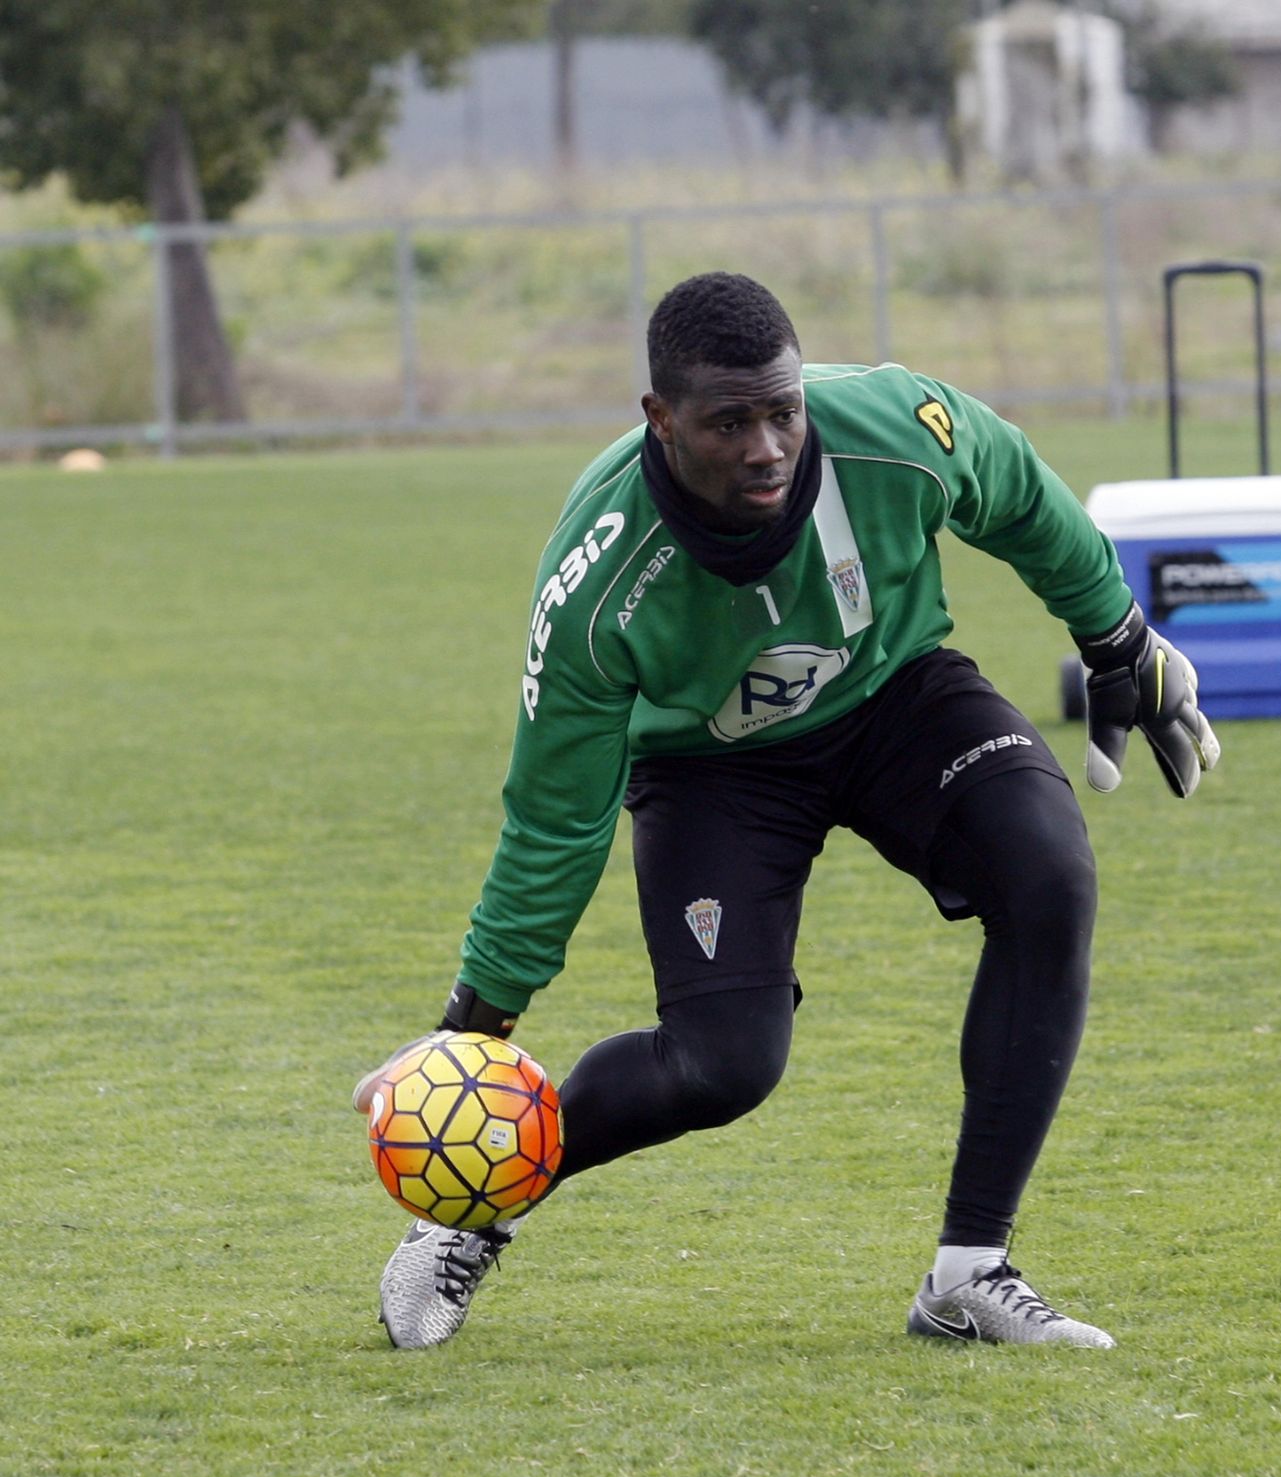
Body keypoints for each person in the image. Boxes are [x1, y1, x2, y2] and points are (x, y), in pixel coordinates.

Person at [354, 271, 1220, 1351]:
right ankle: (474, 1214)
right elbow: (554, 820)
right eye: (730, 421)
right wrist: (464, 1044)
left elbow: (1018, 492)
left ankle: (967, 1273)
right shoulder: (596, 580)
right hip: (714, 768)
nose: (766, 444)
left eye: (782, 409)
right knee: (724, 1064)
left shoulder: (891, 423)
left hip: (898, 692)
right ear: (659, 421)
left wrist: (1120, 641)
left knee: (1049, 876)